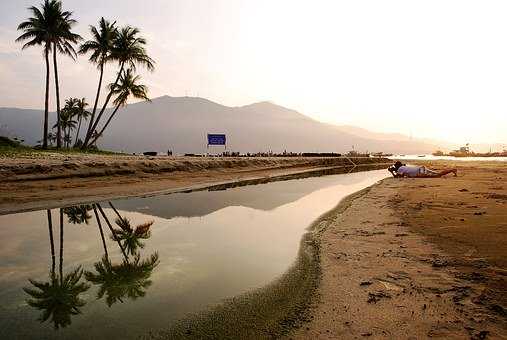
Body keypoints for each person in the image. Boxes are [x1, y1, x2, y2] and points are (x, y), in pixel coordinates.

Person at [388, 161, 457, 178]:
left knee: (437, 175)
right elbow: (402, 175)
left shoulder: (400, 169)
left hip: (419, 172)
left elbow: (399, 176)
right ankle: (452, 170)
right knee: (437, 173)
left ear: (397, 166)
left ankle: (452, 170)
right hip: (421, 168)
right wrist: (394, 170)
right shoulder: (403, 167)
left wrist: (392, 172)